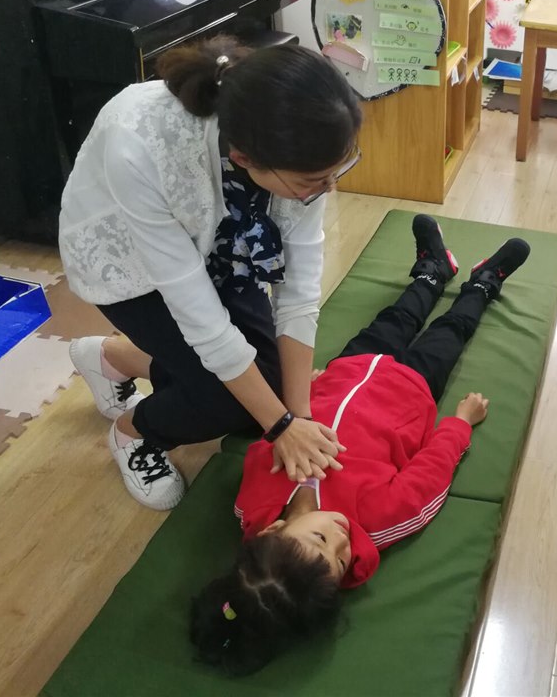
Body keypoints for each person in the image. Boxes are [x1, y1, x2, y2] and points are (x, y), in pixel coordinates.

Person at [190, 215, 530, 676]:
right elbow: (428, 478)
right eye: (341, 560)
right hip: (413, 390)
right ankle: (483, 283)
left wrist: (306, 395)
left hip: (349, 369)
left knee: (398, 316)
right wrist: (460, 424)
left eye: (321, 540)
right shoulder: (374, 520)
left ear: (272, 533)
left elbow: (266, 444)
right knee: (450, 331)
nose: (342, 540)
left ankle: (433, 270)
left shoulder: (252, 505)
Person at [61, 36, 362, 510]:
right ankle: (132, 433)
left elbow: (299, 292)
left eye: (334, 172)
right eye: (312, 181)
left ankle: (114, 359)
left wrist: (297, 416)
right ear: (244, 159)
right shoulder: (138, 143)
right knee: (230, 401)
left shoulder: (298, 146)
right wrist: (281, 426)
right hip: (131, 266)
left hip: (219, 246)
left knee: (265, 389)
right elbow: (198, 316)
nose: (327, 189)